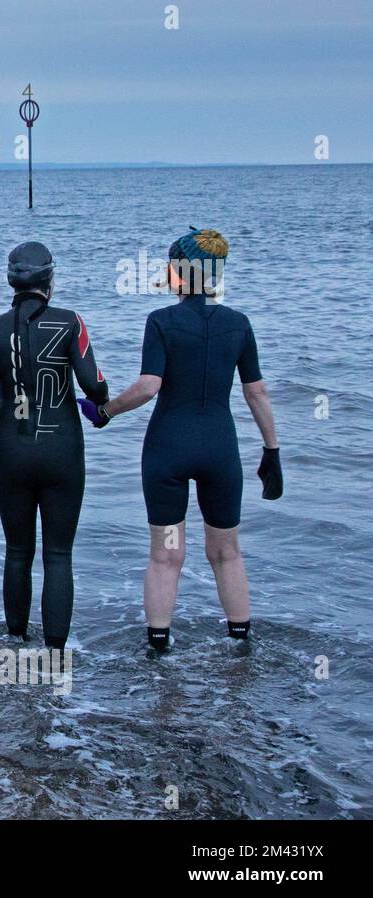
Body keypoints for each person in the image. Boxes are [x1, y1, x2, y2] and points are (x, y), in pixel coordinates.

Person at [81, 228, 282, 650]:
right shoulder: (238, 324)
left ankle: (158, 649)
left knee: (166, 554)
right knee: (226, 552)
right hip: (219, 452)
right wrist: (272, 450)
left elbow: (149, 386)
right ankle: (240, 644)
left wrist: (104, 411)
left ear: (180, 271)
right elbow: (256, 392)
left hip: (168, 451)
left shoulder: (162, 322)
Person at [0, 242, 109, 651]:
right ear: (50, 282)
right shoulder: (70, 323)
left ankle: (16, 644)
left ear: (11, 281)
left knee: (17, 551)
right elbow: (94, 385)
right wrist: (102, 400)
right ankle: (57, 654)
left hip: (12, 451)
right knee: (58, 554)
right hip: (62, 449)